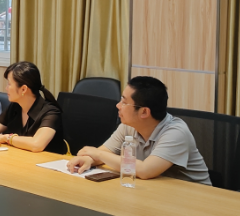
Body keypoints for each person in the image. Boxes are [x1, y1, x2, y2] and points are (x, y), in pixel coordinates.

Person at [67, 76, 212, 185]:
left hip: (195, 197)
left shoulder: (176, 133)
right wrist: (89, 160)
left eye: (124, 102)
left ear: (144, 112)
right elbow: (105, 153)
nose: (118, 105)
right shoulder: (128, 125)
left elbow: (145, 170)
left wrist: (97, 154)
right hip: (158, 191)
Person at [0, 61, 65, 154]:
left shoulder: (51, 112)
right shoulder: (15, 107)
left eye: (9, 84)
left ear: (23, 89)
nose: (6, 88)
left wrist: (6, 138)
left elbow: (37, 144)